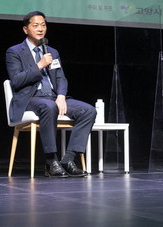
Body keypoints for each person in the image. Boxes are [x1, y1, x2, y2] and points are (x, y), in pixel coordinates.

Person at [5, 11, 96, 177]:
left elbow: (61, 78)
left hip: (53, 98)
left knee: (88, 110)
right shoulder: (15, 52)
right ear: (26, 29)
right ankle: (50, 161)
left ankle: (68, 159)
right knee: (49, 107)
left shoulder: (52, 52)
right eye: (35, 25)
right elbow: (16, 80)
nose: (40, 29)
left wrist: (61, 96)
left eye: (43, 25)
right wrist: (39, 65)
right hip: (30, 98)